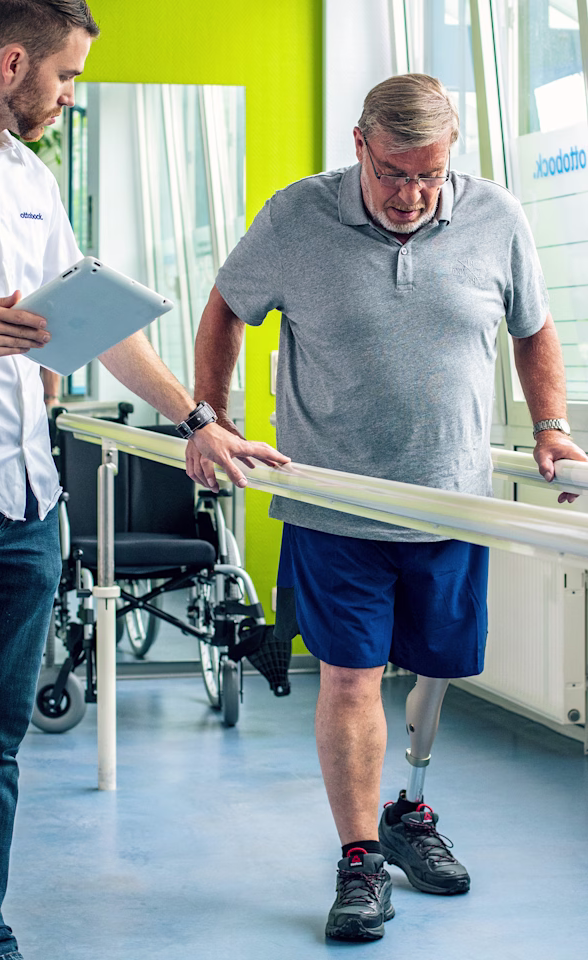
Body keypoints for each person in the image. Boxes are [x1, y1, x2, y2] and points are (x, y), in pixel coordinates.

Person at [0, 2, 287, 958]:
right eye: (65, 77)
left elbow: (95, 328)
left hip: (26, 500)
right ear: (12, 62)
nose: (68, 96)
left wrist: (197, 419)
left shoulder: (29, 179)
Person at [186, 73, 588, 942]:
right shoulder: (297, 217)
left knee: (439, 665)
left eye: (429, 177)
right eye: (394, 173)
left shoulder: (497, 218)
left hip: (452, 506)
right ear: (359, 145)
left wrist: (551, 427)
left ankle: (408, 811)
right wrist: (211, 418)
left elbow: (533, 325)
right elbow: (225, 308)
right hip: (336, 505)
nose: (411, 195)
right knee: (351, 678)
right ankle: (362, 858)